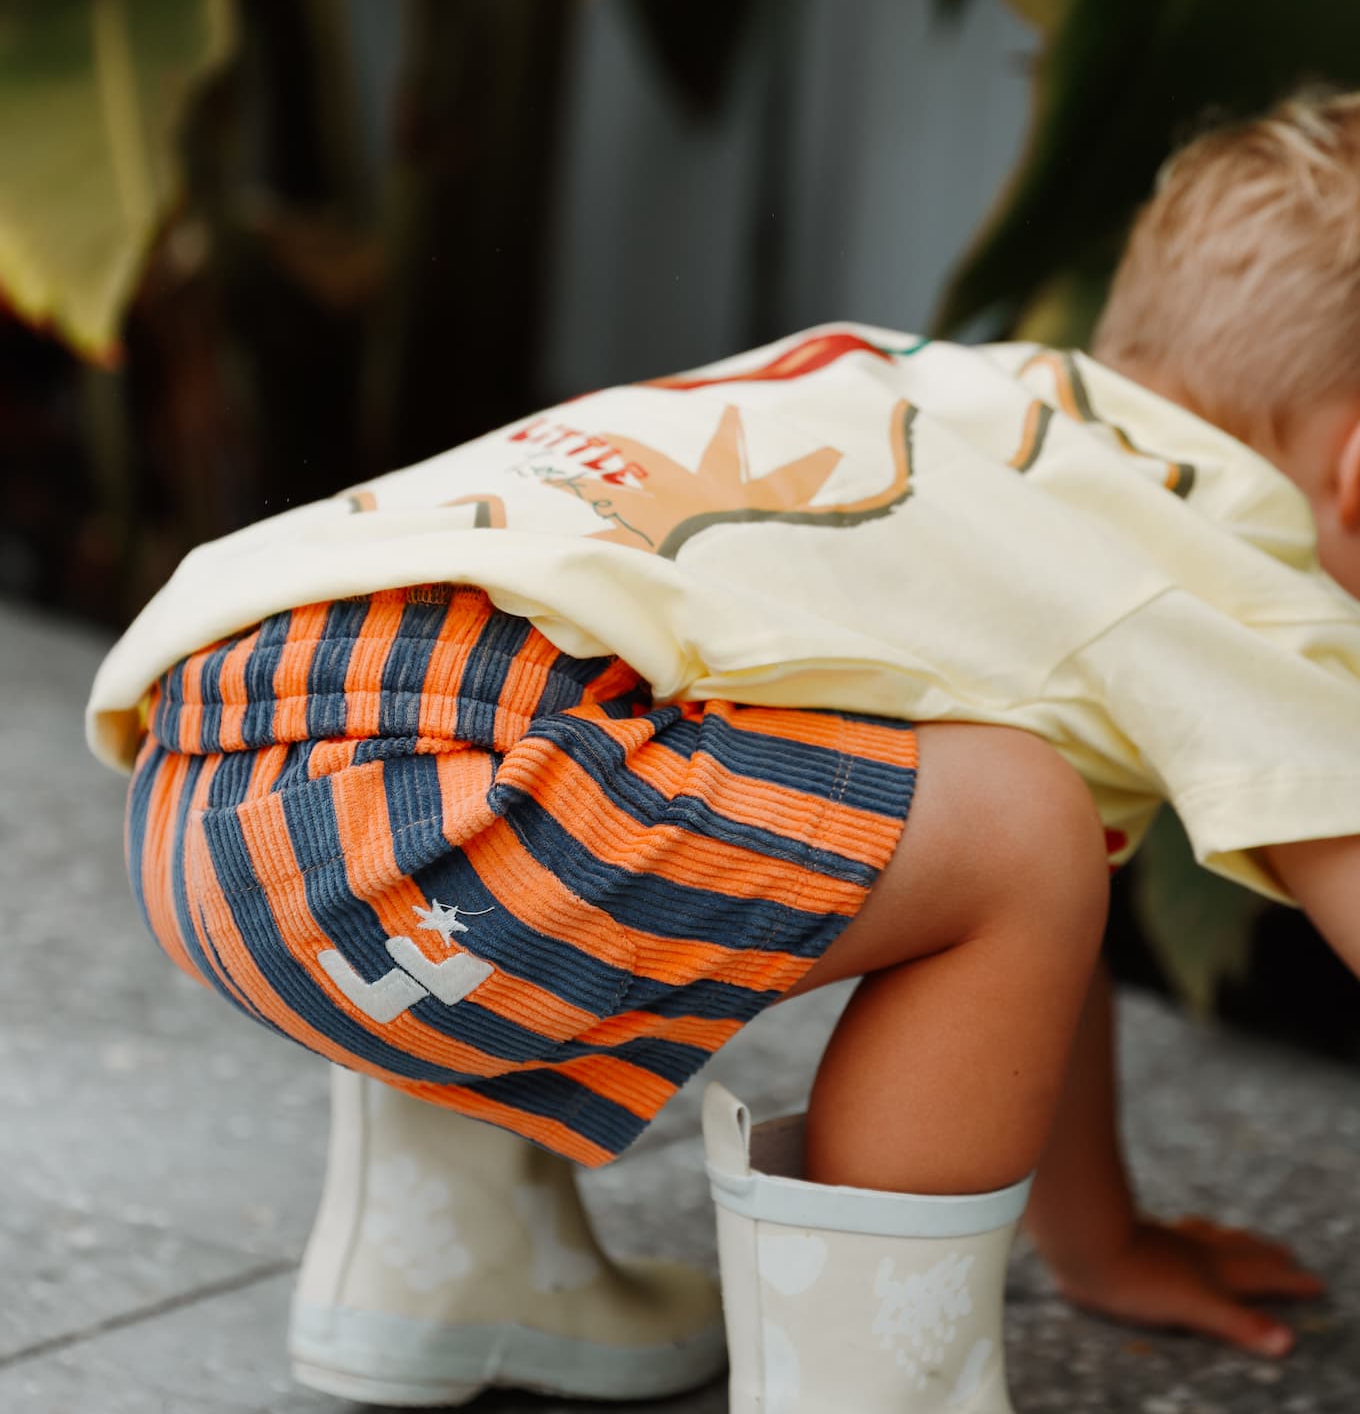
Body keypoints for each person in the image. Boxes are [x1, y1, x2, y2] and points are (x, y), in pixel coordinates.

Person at [85, 91, 1360, 1411]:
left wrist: (1099, 1243)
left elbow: (1037, 940)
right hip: (470, 824)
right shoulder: (1225, 574)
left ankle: (446, 1264)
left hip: (223, 786)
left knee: (1002, 831)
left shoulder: (944, 405)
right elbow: (1054, 873)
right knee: (1019, 829)